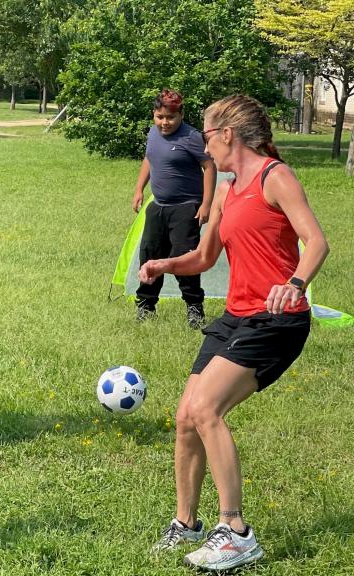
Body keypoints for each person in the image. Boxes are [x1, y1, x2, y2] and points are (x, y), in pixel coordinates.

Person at [142, 95, 329, 571]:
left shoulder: (274, 177)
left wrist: (295, 284)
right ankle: (187, 523)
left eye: (206, 135)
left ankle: (237, 532)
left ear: (228, 134)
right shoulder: (226, 189)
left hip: (277, 320)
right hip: (235, 316)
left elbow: (317, 241)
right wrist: (165, 263)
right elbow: (205, 259)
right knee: (185, 416)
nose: (204, 147)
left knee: (207, 408)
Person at [133, 89, 216, 328]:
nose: (164, 122)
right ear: (154, 115)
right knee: (149, 255)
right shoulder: (153, 133)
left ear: (181, 114)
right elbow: (149, 158)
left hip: (186, 208)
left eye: (170, 117)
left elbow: (209, 167)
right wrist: (139, 189)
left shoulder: (191, 137)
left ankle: (194, 308)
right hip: (158, 206)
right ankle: (146, 306)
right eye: (159, 117)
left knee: (184, 258)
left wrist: (206, 204)